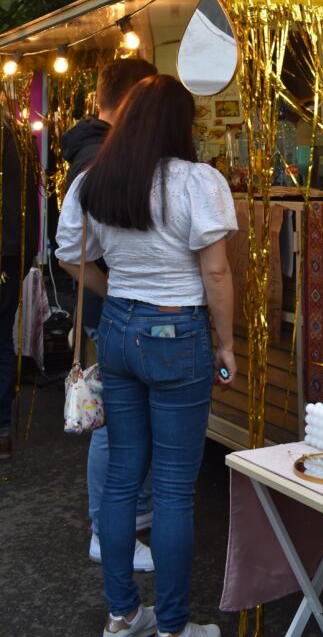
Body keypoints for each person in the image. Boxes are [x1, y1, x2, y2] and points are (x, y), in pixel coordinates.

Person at [57, 75, 237, 637]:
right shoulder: (198, 181)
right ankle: (175, 627)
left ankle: (123, 614)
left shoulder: (96, 179)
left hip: (117, 332)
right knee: (175, 488)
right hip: (178, 335)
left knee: (120, 479)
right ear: (179, 124)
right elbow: (216, 270)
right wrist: (227, 343)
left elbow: (68, 255)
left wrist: (117, 297)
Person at [62, 57, 158, 570]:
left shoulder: (91, 149)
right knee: (116, 426)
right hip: (115, 309)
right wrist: (117, 286)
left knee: (122, 422)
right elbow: (71, 249)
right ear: (135, 95)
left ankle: (123, 520)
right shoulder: (101, 158)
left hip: (112, 307)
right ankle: (106, 528)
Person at [0, 110, 39, 460]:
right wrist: (26, 256)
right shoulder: (21, 134)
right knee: (1, 337)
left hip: (11, 251)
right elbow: (31, 202)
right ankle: (1, 432)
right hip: (12, 254)